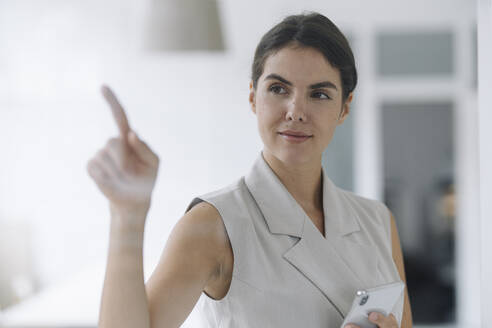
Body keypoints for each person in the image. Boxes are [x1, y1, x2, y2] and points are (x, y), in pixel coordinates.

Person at [87, 12, 413, 328]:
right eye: (278, 89)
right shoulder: (214, 224)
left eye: (319, 94)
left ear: (344, 108)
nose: (296, 111)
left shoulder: (377, 222)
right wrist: (127, 214)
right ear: (253, 98)